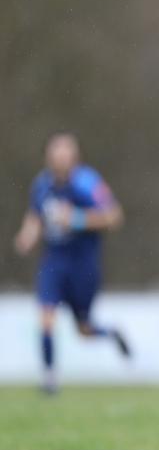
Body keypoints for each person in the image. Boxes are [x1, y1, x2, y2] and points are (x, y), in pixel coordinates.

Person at [13, 132, 130, 394]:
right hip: (54, 261)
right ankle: (49, 379)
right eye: (56, 154)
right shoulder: (41, 185)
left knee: (84, 330)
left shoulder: (87, 183)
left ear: (74, 157)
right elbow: (35, 214)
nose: (61, 159)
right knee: (46, 316)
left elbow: (113, 216)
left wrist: (76, 220)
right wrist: (27, 235)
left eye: (66, 154)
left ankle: (112, 333)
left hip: (83, 264)